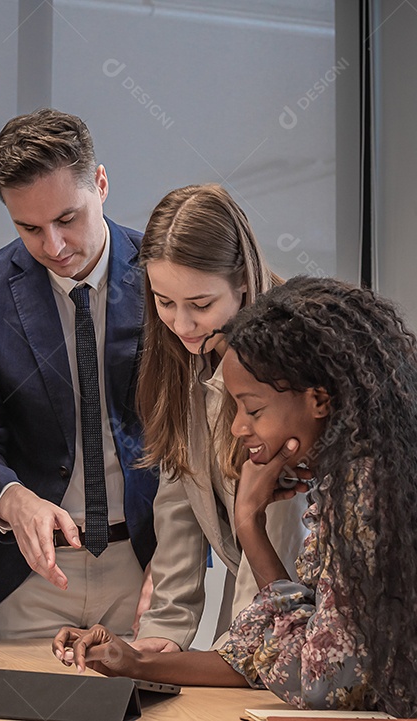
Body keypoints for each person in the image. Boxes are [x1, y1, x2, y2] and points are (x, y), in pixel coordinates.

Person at [54, 276, 417, 720]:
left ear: (320, 400)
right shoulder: (354, 479)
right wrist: (134, 663)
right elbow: (264, 654)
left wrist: (248, 524)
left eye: (252, 409)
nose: (237, 427)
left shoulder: (371, 493)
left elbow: (312, 678)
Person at [0, 108, 157, 639]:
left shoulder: (164, 278)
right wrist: (12, 499)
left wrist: (181, 557)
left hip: (145, 561)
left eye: (68, 218)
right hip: (25, 575)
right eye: (29, 228)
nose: (54, 246)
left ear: (101, 184)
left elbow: (195, 433)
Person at [127, 184, 308, 653]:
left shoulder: (291, 361)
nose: (182, 325)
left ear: (243, 281)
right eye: (164, 302)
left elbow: (280, 528)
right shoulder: (185, 353)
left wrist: (236, 654)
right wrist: (164, 634)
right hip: (259, 596)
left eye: (201, 305)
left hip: (308, 609)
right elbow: (179, 495)